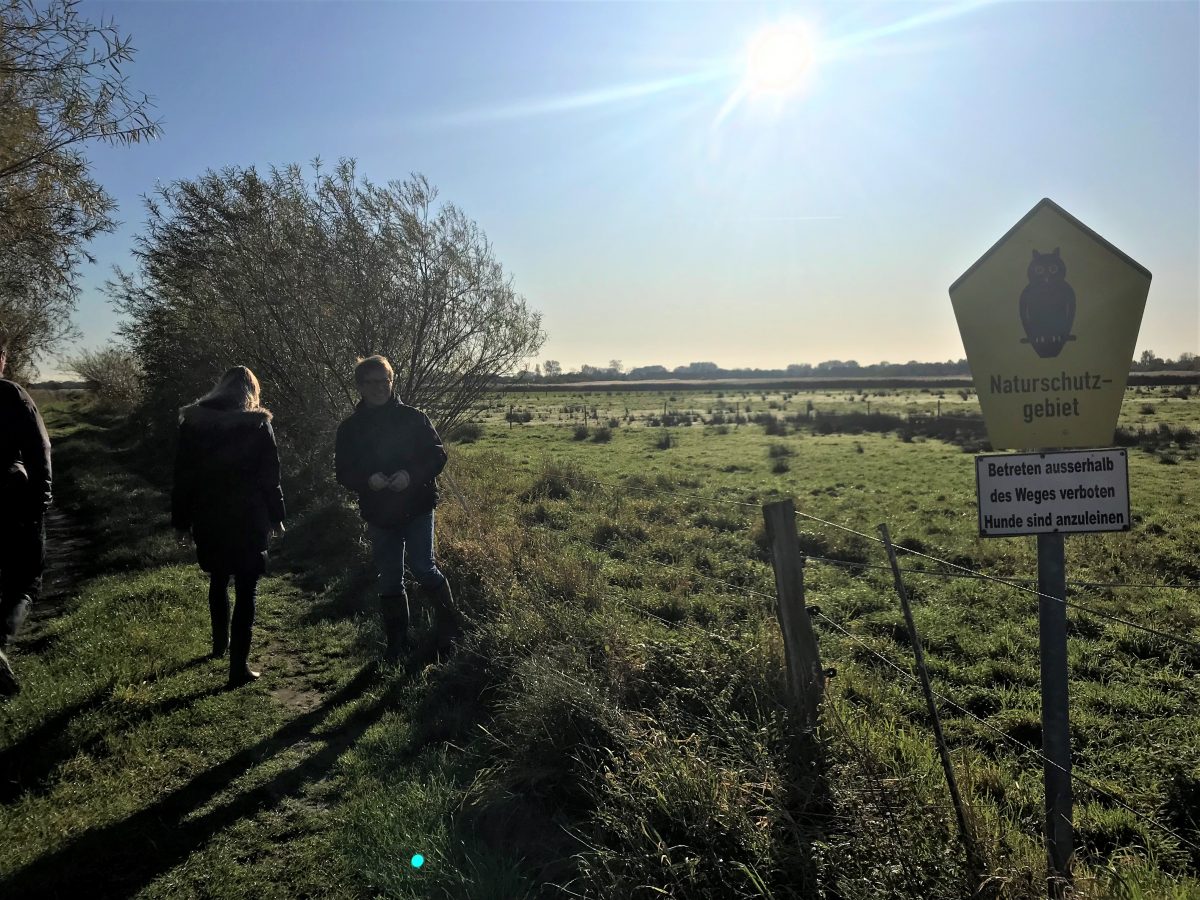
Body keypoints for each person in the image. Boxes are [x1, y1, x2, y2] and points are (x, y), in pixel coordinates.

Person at [335, 355, 459, 665]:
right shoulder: (350, 428)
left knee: (423, 567)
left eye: (385, 381)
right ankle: (396, 644)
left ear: (392, 382)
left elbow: (437, 456)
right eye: (372, 382)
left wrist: (411, 475)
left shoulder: (414, 417)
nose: (379, 387)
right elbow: (343, 472)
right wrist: (367, 479)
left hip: (417, 506)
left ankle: (449, 631)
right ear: (360, 387)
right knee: (389, 578)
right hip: (379, 512)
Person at [172, 366, 286, 688]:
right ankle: (238, 667)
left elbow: (183, 478)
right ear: (252, 391)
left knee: (219, 578)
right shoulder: (257, 425)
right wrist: (277, 517)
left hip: (209, 516)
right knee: (247, 588)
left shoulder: (194, 425)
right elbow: (270, 477)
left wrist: (181, 522)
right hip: (249, 516)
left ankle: (218, 645)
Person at [0, 332, 52, 697]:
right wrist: (42, 496)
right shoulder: (10, 395)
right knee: (25, 580)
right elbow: (39, 446)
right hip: (11, 500)